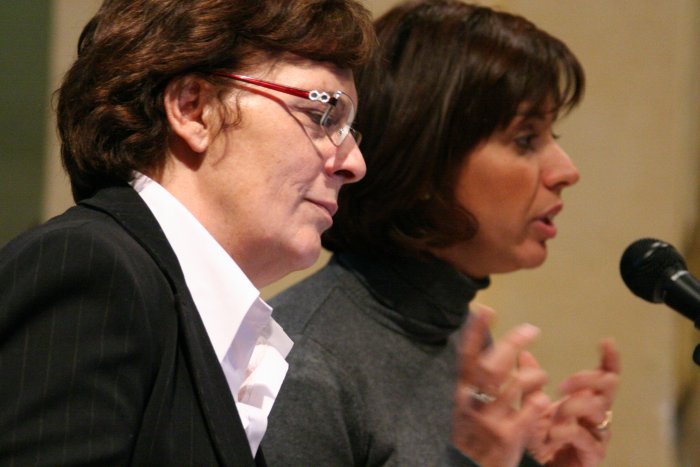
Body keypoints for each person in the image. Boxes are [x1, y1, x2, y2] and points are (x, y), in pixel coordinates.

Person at [0, 0, 374, 465]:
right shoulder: (91, 269)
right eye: (323, 115)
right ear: (193, 109)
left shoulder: (186, 313)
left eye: (349, 129)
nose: (354, 163)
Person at [264, 1, 620, 466]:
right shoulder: (304, 365)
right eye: (525, 139)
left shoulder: (457, 330)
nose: (566, 171)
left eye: (553, 137)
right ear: (425, 158)